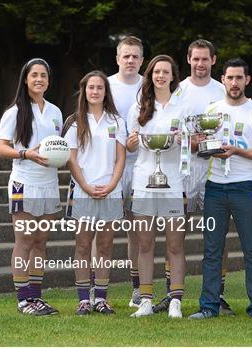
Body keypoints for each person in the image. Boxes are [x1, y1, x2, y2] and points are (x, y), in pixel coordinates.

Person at [151, 39, 234, 316]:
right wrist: (190, 141)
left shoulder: (223, 90)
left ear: (214, 60)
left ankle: (217, 294)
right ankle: (171, 294)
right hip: (183, 172)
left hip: (213, 171)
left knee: (216, 234)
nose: (200, 64)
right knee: (176, 235)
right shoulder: (178, 91)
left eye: (205, 59)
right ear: (188, 60)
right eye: (195, 59)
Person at [188, 58, 252, 322]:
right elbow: (196, 146)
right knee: (212, 249)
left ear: (247, 80)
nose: (234, 83)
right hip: (215, 189)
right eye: (230, 78)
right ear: (222, 79)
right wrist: (199, 142)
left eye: (239, 78)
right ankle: (208, 306)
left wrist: (238, 151)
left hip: (244, 188)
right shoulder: (211, 109)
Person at [126, 55, 193, 318]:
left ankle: (175, 300)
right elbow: (130, 144)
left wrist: (183, 139)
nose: (161, 76)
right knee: (145, 244)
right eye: (156, 72)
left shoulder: (183, 106)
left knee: (175, 245)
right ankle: (145, 300)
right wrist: (131, 142)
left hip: (174, 183)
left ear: (173, 76)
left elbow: (191, 143)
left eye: (166, 72)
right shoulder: (138, 107)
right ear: (150, 75)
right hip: (143, 181)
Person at [0, 58, 62, 315]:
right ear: (25, 79)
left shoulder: (55, 112)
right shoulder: (14, 112)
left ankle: (36, 297)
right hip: (25, 183)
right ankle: (24, 300)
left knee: (41, 241)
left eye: (43, 75)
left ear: (48, 80)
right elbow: (0, 148)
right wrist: (25, 154)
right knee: (24, 240)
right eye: (34, 75)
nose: (39, 79)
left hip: (49, 183)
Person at [64, 71, 126, 315]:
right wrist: (87, 187)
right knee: (82, 245)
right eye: (91, 87)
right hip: (82, 191)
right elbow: (71, 159)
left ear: (105, 92)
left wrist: (111, 185)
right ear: (84, 90)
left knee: (105, 246)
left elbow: (120, 158)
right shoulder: (75, 121)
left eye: (100, 88)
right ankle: (83, 300)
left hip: (110, 192)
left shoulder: (117, 122)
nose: (95, 91)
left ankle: (100, 298)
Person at [107, 35, 144, 308]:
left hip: (142, 166)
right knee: (102, 230)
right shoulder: (104, 86)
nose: (130, 60)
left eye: (135, 56)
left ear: (142, 60)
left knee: (137, 230)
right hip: (107, 167)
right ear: (117, 58)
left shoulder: (151, 85)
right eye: (125, 55)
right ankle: (97, 291)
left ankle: (136, 287)